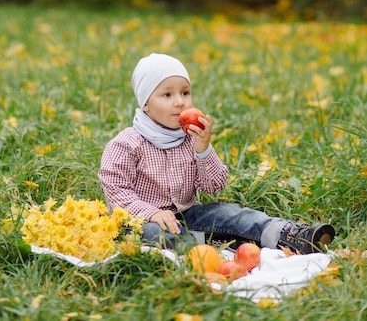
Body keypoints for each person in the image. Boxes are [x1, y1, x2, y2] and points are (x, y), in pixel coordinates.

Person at [99, 53, 335, 254]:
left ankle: (291, 235)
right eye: (167, 95)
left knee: (230, 213)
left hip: (184, 215)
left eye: (185, 92)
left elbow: (214, 185)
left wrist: (203, 148)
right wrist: (152, 213)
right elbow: (116, 192)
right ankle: (208, 249)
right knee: (154, 236)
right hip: (140, 222)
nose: (180, 102)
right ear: (145, 103)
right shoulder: (127, 143)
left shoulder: (190, 137)